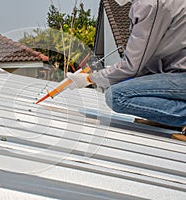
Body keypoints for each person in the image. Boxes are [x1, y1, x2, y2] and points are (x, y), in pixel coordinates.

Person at [67, 0, 186, 132]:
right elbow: (142, 63)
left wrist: (90, 79)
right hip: (177, 75)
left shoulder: (149, 5)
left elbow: (131, 66)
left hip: (181, 77)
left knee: (116, 96)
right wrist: (107, 74)